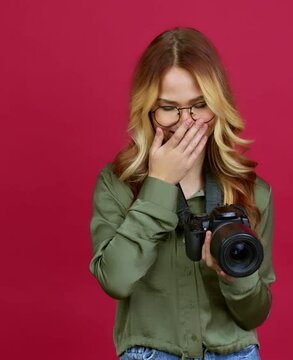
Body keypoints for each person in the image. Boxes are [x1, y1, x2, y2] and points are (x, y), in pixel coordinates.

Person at [89, 27, 275, 360]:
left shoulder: (250, 191)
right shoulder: (116, 184)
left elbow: (255, 314)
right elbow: (115, 279)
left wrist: (231, 276)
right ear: (148, 109)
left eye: (198, 105)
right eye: (169, 107)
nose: (186, 122)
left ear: (218, 105)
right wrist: (158, 185)